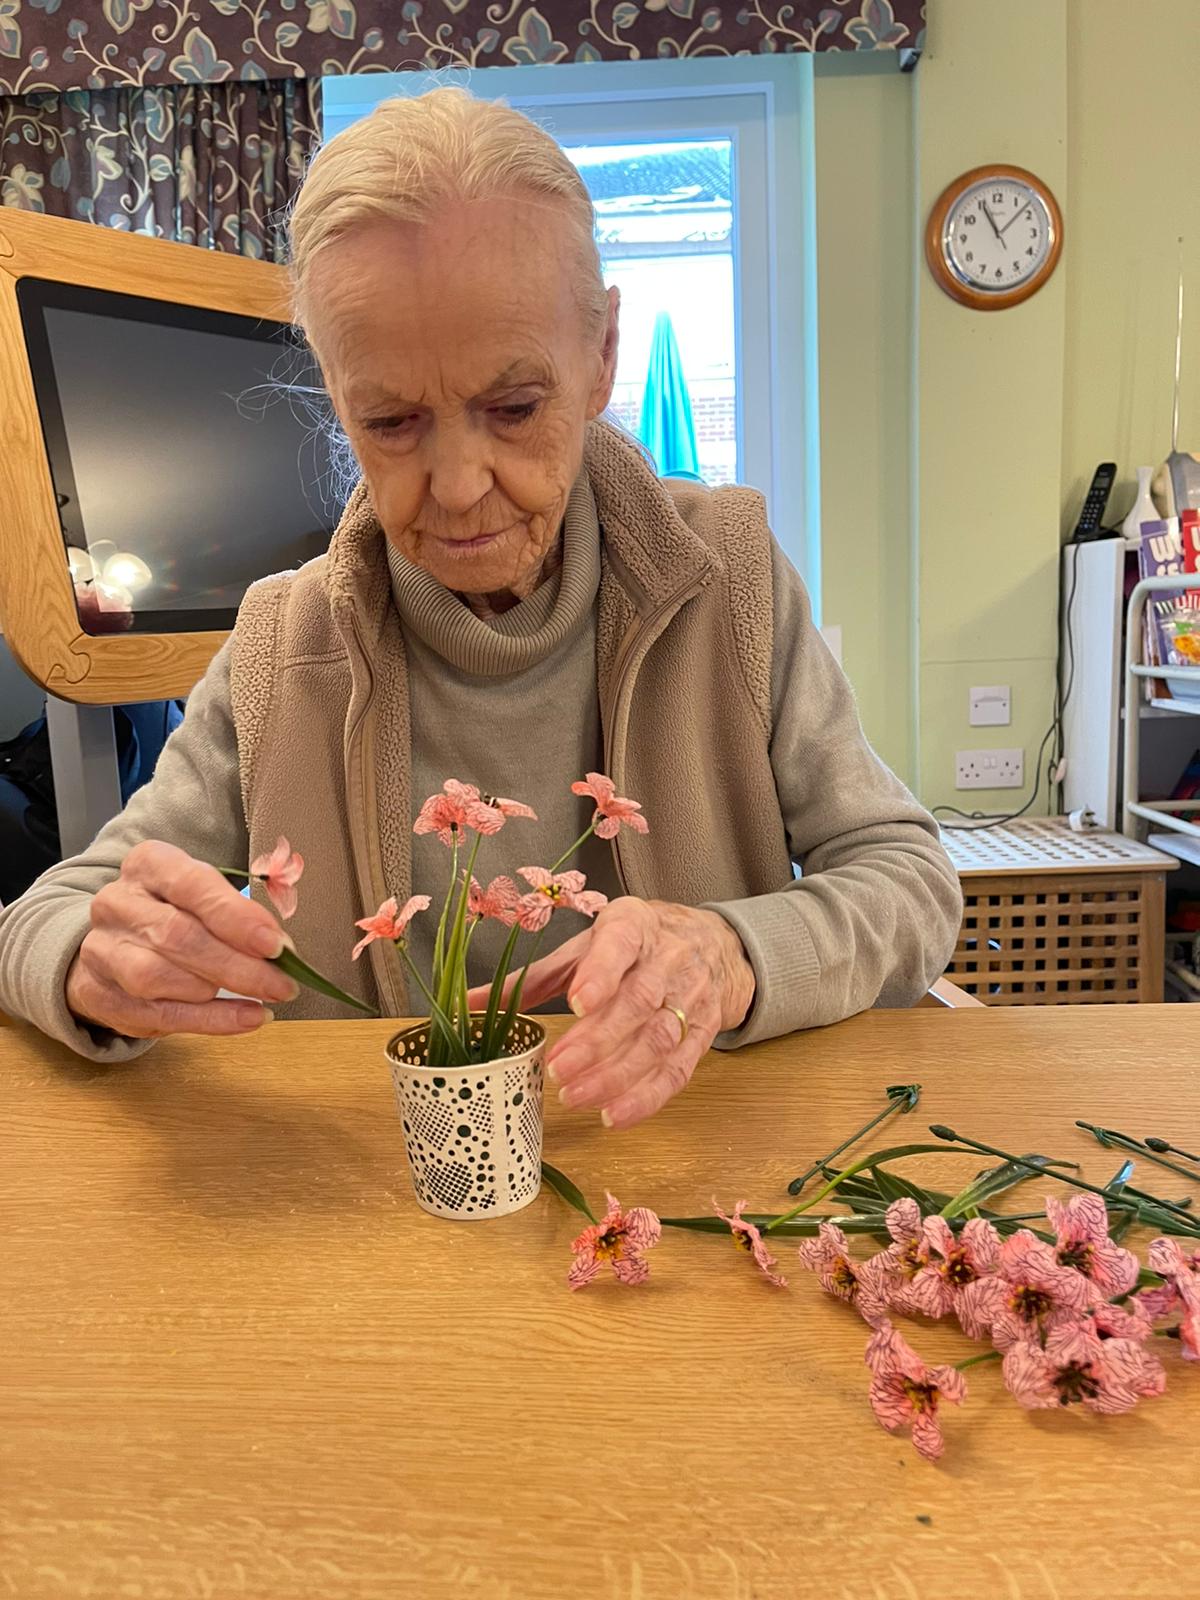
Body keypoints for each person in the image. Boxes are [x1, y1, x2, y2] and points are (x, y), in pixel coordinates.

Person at [0, 89, 962, 1130]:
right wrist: (96, 959)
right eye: (391, 420)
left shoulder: (727, 576)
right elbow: (44, 917)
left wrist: (731, 953)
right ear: (335, 395)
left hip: (696, 1173)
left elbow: (910, 883)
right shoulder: (281, 647)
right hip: (380, 1199)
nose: (459, 488)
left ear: (601, 357)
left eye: (514, 407)